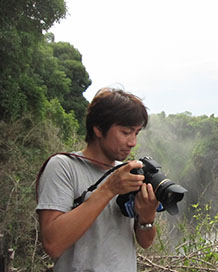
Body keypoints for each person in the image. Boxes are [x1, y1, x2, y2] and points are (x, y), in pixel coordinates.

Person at [36, 87, 159, 271]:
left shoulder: (126, 173)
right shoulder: (63, 166)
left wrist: (147, 217)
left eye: (136, 133)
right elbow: (53, 244)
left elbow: (146, 242)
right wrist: (109, 189)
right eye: (126, 132)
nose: (133, 142)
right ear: (99, 129)